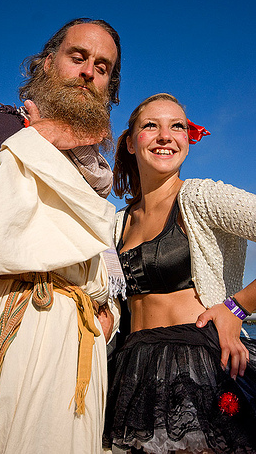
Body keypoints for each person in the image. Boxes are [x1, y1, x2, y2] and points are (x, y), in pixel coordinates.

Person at [0, 18, 124, 454]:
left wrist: (108, 318)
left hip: (78, 357)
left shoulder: (98, 177)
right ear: (47, 65)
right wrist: (44, 136)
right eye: (79, 57)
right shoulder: (6, 130)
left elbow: (99, 271)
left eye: (103, 67)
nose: (89, 71)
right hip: (10, 327)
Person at [103, 93, 256, 453]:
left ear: (187, 138)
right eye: (150, 125)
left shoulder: (202, 197)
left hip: (199, 365)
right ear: (129, 141)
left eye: (177, 126)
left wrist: (237, 307)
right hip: (130, 370)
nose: (165, 135)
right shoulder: (113, 224)